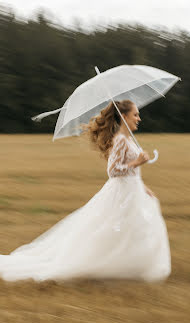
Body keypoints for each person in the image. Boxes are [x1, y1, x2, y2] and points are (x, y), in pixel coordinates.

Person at [0, 100, 171, 283]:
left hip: (132, 190)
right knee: (112, 228)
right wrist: (137, 162)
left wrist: (143, 187)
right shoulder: (120, 140)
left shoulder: (128, 139)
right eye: (135, 114)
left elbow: (131, 174)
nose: (139, 118)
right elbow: (113, 171)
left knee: (134, 227)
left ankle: (128, 265)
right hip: (121, 193)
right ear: (124, 117)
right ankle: (106, 264)